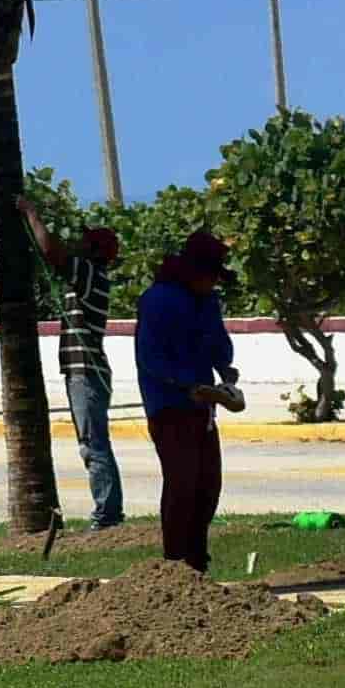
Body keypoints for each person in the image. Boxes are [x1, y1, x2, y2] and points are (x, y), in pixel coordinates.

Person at [133, 227, 247, 571]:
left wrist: (225, 372)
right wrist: (187, 385)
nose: (212, 285)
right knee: (182, 483)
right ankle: (175, 562)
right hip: (168, 405)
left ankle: (197, 560)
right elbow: (151, 359)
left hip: (204, 407)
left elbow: (218, 345)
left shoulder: (208, 301)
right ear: (193, 272)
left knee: (208, 485)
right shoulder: (157, 300)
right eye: (209, 277)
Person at [27, 202, 125, 530]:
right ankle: (108, 512)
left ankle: (107, 515)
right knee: (94, 442)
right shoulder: (90, 276)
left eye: (85, 242)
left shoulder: (88, 273)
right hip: (83, 371)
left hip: (86, 372)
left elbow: (52, 252)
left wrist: (33, 215)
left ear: (95, 251)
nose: (78, 244)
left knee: (93, 444)